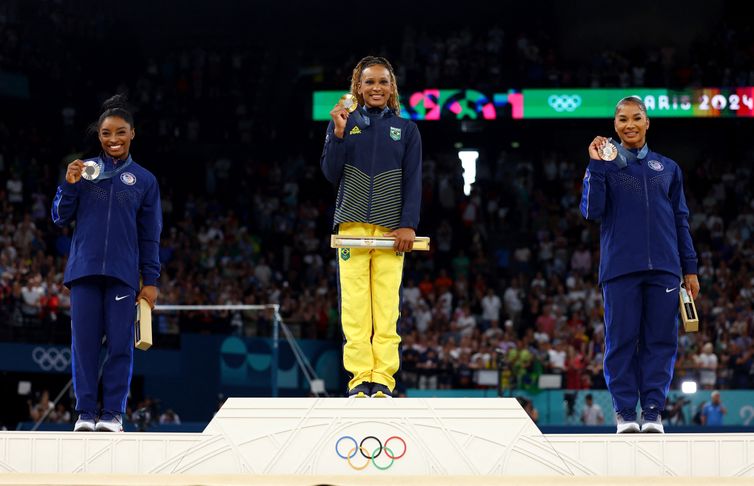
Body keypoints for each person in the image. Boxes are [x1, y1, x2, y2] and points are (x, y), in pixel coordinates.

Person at [580, 96, 699, 434]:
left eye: (636, 118)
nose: (629, 125)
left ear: (648, 123)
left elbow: (681, 220)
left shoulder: (668, 168)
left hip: (664, 267)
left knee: (660, 341)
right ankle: (624, 414)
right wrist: (596, 166)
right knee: (620, 341)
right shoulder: (607, 165)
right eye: (622, 120)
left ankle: (652, 413)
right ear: (614, 125)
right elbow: (592, 211)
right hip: (620, 268)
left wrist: (688, 268)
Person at [51, 94, 162, 432]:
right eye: (105, 134)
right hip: (83, 271)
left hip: (123, 275)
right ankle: (85, 413)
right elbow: (59, 217)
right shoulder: (83, 172)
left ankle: (112, 414)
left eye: (120, 132)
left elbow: (150, 234)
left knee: (118, 345)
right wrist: (68, 186)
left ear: (132, 133)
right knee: (83, 346)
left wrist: (151, 280)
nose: (113, 139)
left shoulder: (145, 180)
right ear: (98, 136)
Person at [321, 56, 422, 398]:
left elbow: (413, 179)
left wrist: (408, 224)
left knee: (386, 308)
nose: (376, 88)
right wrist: (336, 133)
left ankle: (383, 379)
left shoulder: (407, 130)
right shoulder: (343, 123)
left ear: (392, 88)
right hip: (350, 229)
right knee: (354, 308)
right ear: (358, 88)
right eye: (369, 82)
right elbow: (330, 173)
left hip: (392, 231)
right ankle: (359, 378)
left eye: (382, 82)